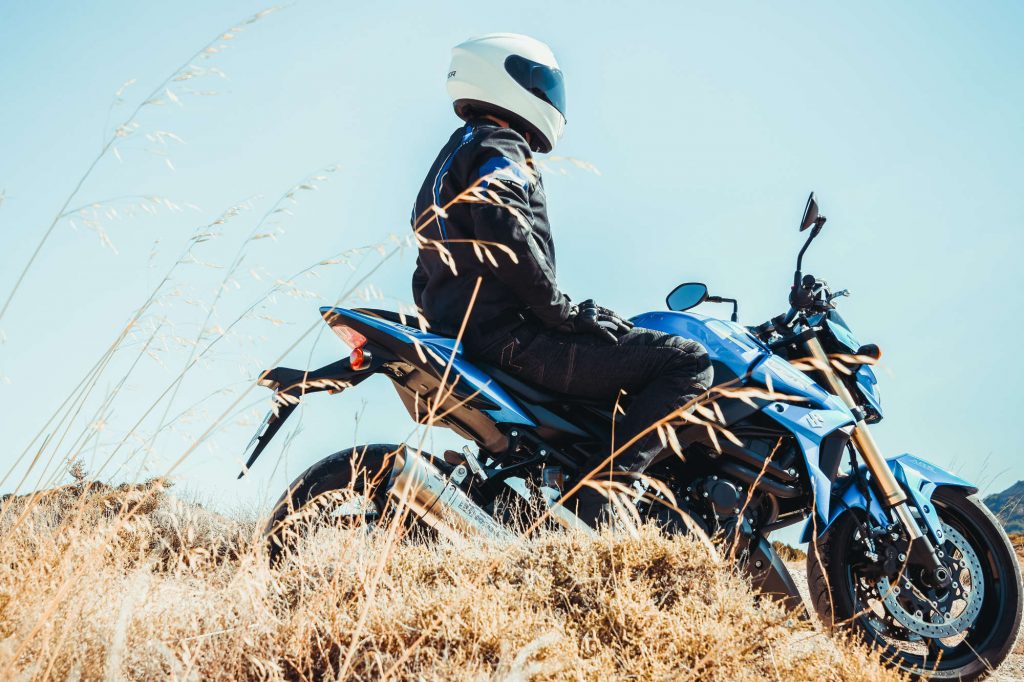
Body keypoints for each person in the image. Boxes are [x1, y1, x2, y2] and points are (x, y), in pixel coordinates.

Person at [410, 33, 713, 522]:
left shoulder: (451, 156)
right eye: (542, 83)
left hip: (471, 336)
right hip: (514, 338)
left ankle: (549, 487)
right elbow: (504, 231)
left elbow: (425, 273)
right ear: (503, 77)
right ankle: (605, 495)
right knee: (690, 362)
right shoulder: (501, 144)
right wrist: (562, 312)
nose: (551, 98)